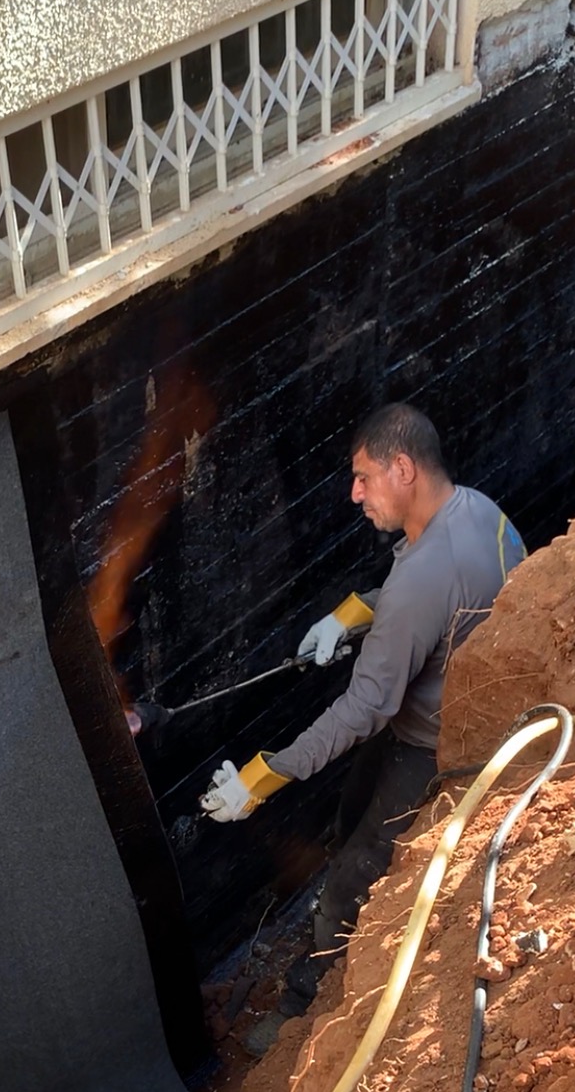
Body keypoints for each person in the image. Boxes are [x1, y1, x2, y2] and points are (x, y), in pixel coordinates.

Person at [200, 402, 525, 1049]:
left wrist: (260, 779)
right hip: (434, 710)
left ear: (401, 468)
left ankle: (304, 1008)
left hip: (435, 745)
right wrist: (349, 614)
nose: (353, 493)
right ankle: (330, 934)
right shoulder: (472, 512)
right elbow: (432, 602)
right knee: (350, 819)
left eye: (363, 477)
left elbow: (364, 707)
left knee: (354, 874)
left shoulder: (425, 572)